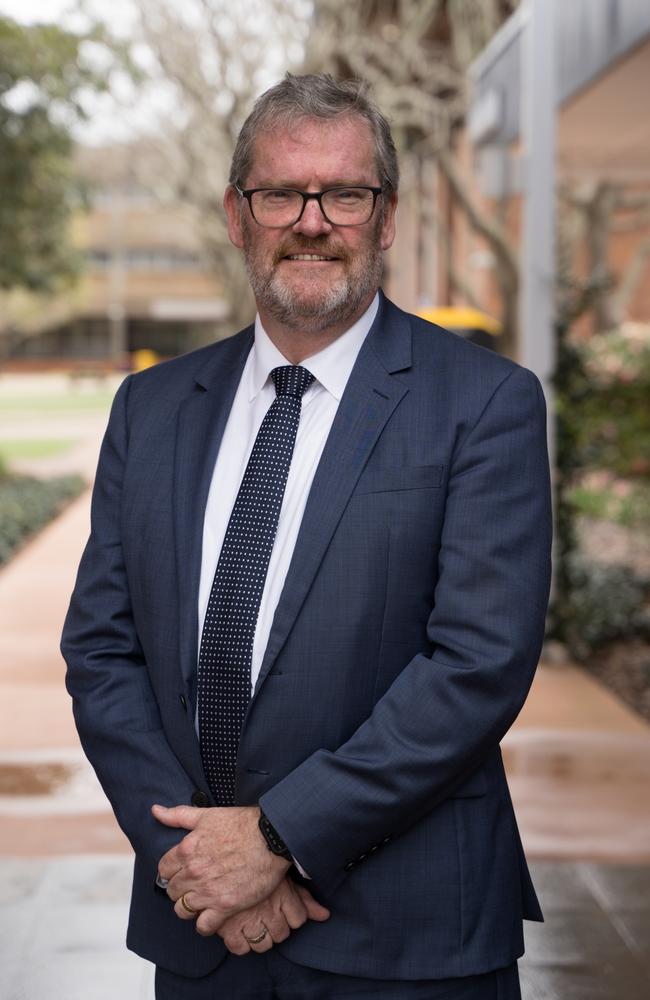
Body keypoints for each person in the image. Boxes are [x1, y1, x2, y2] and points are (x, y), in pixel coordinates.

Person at [62, 73, 552, 1000]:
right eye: (281, 193)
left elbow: (478, 662)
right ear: (238, 214)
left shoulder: (484, 402)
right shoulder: (153, 408)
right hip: (201, 929)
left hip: (408, 942)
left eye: (347, 194)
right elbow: (101, 648)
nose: (313, 220)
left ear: (388, 216)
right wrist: (196, 859)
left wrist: (280, 839)